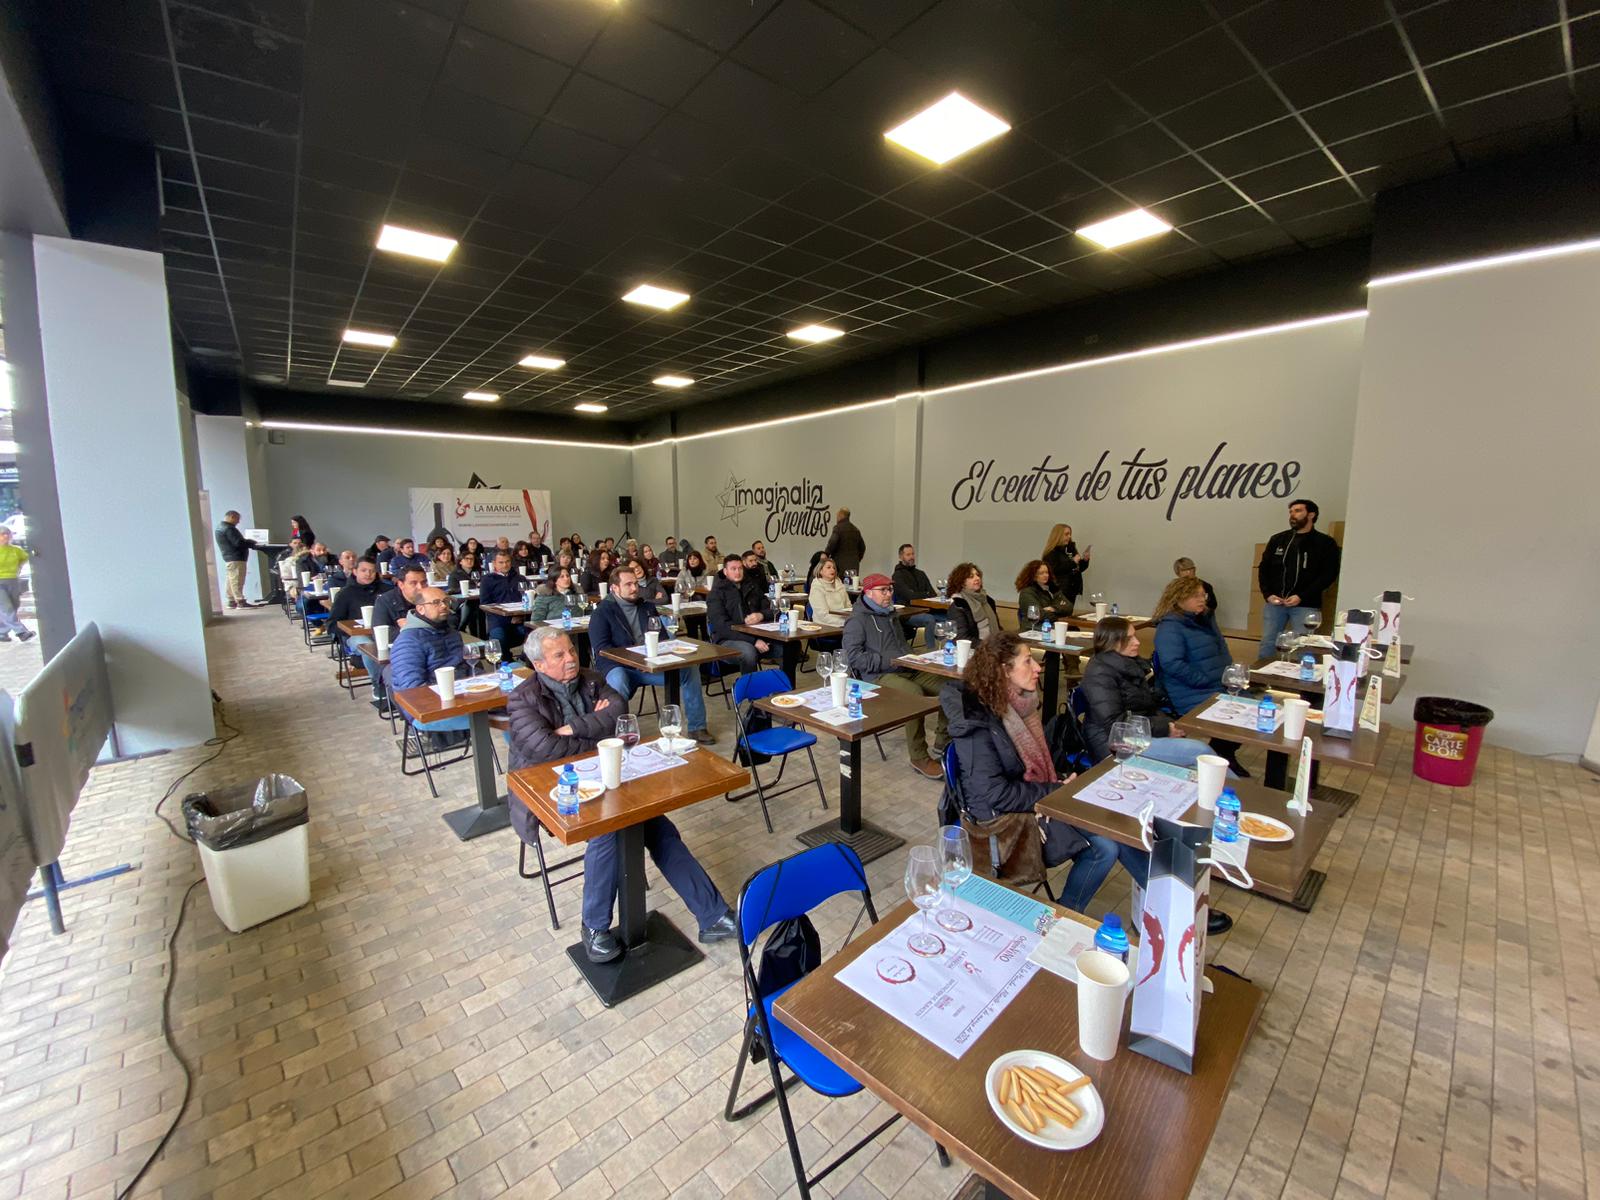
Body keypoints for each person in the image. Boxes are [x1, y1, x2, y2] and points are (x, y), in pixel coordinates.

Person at [508, 626, 736, 962]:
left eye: (572, 650)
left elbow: (619, 711)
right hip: (556, 790)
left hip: (607, 775)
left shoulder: (591, 678)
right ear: (539, 665)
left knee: (656, 825)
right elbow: (545, 749)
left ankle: (712, 916)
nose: (571, 658)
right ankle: (594, 927)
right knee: (610, 830)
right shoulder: (522, 698)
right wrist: (596, 727)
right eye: (560, 655)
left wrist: (574, 728)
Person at [945, 633, 1146, 913]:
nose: (1038, 667)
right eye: (1028, 661)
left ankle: (1164, 895)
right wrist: (1057, 792)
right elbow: (994, 794)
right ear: (1004, 670)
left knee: (1112, 818)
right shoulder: (977, 722)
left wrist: (1060, 785)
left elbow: (1031, 766)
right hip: (1003, 823)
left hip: (1032, 798)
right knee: (1105, 847)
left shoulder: (1019, 705)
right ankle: (1067, 912)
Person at [590, 566, 716, 744]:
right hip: (618, 667)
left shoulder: (647, 607)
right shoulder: (602, 612)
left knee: (690, 670)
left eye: (636, 584)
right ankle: (616, 735)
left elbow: (662, 638)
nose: (634, 588)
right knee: (618, 679)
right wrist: (634, 660)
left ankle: (697, 727)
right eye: (628, 584)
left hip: (650, 664)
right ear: (615, 588)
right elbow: (602, 651)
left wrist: (665, 652)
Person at [842, 575, 946, 777]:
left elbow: (901, 645)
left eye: (890, 589)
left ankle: (944, 742)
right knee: (913, 695)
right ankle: (919, 757)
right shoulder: (857, 620)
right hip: (877, 676)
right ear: (868, 593)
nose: (889, 594)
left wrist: (913, 658)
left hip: (907, 667)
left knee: (951, 686)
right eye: (883, 590)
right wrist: (888, 662)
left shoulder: (890, 613)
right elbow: (853, 658)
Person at [1257, 498, 1340, 657]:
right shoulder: (1278, 539)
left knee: (1304, 645)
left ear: (1311, 515)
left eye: (1298, 511)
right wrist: (1268, 594)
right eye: (1291, 512)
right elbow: (1264, 569)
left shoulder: (1325, 543)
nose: (1292, 515)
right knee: (1268, 641)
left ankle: (1304, 672)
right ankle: (1261, 672)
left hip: (1306, 604)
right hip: (1275, 603)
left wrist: (1302, 596)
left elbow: (1328, 574)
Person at [707, 554, 778, 674]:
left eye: (740, 568)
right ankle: (749, 686)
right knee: (749, 652)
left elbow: (773, 609)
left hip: (758, 634)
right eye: (733, 569)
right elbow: (722, 627)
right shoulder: (716, 593)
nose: (737, 572)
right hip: (727, 639)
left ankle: (786, 683)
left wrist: (761, 615)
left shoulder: (752, 586)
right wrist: (753, 641)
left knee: (790, 646)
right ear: (725, 571)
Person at [479, 549, 526, 656]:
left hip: (519, 618)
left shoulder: (520, 578)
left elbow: (528, 600)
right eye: (501, 562)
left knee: (531, 633)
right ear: (494, 563)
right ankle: (506, 659)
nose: (505, 565)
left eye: (507, 561)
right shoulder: (487, 580)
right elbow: (485, 604)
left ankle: (525, 658)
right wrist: (508, 618)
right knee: (499, 637)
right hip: (498, 619)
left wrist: (520, 616)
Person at [891, 543, 938, 647]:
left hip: (926, 609)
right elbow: (909, 596)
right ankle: (931, 650)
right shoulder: (897, 576)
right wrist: (925, 593)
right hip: (907, 613)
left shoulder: (921, 574)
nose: (911, 557)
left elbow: (933, 594)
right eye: (908, 555)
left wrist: (918, 594)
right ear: (901, 557)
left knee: (948, 616)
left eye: (912, 554)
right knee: (930, 619)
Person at [215, 510, 262, 610]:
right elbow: (238, 543)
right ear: (232, 517)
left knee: (231, 579)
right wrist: (250, 542)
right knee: (237, 580)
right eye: (237, 519)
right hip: (236, 557)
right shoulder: (229, 528)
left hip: (229, 557)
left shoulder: (220, 527)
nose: (238, 522)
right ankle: (240, 601)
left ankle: (231, 601)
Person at [1041, 524, 1091, 613]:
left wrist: (1085, 560)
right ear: (1058, 535)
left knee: (1068, 612)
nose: (1069, 537)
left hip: (1072, 588)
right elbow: (1054, 570)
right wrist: (1073, 562)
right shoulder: (1051, 553)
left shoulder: (1070, 549)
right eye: (1066, 534)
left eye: (1070, 534)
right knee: (1061, 613)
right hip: (1060, 589)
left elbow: (1077, 569)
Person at [946, 562, 999, 645]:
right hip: (975, 648)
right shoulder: (959, 604)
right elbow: (961, 638)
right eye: (971, 577)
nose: (977, 578)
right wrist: (988, 646)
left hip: (994, 645)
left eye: (978, 575)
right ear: (961, 582)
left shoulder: (987, 600)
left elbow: (998, 628)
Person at [1015, 560, 1071, 631]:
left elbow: (1069, 608)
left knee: (1072, 629)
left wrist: (1053, 608)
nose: (1046, 575)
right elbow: (1038, 615)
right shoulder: (1027, 592)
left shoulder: (1050, 589)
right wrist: (1060, 613)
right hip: (1033, 628)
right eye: (1041, 573)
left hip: (1049, 626)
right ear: (1033, 576)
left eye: (1047, 572)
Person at [807, 557, 852, 628]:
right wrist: (845, 623)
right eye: (828, 567)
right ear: (820, 571)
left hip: (844, 622)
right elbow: (822, 615)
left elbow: (848, 607)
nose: (832, 570)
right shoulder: (817, 586)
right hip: (824, 625)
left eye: (834, 568)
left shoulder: (839, 583)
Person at [823, 506, 865, 576]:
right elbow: (863, 547)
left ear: (841, 516)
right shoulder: (856, 530)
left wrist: (826, 554)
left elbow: (832, 542)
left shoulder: (838, 528)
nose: (837, 518)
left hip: (840, 566)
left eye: (837, 516)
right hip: (853, 566)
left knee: (839, 582)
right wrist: (857, 559)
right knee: (851, 582)